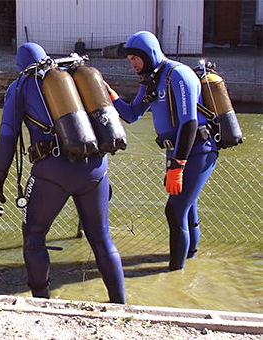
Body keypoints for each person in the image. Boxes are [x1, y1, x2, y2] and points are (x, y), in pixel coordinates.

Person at [0, 42, 126, 304]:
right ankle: (120, 304)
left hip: (52, 173)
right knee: (101, 239)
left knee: (34, 237)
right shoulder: (75, 77)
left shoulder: (20, 86)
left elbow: (7, 137)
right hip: (96, 170)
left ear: (20, 65)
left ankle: (42, 302)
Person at [107, 31, 218, 271]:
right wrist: (110, 95)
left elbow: (189, 123)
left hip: (198, 151)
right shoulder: (152, 80)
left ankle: (174, 273)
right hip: (177, 153)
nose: (133, 64)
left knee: (174, 211)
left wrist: (178, 165)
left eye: (136, 58)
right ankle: (190, 260)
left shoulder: (178, 75)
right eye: (129, 60)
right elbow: (131, 114)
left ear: (149, 54)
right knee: (186, 209)